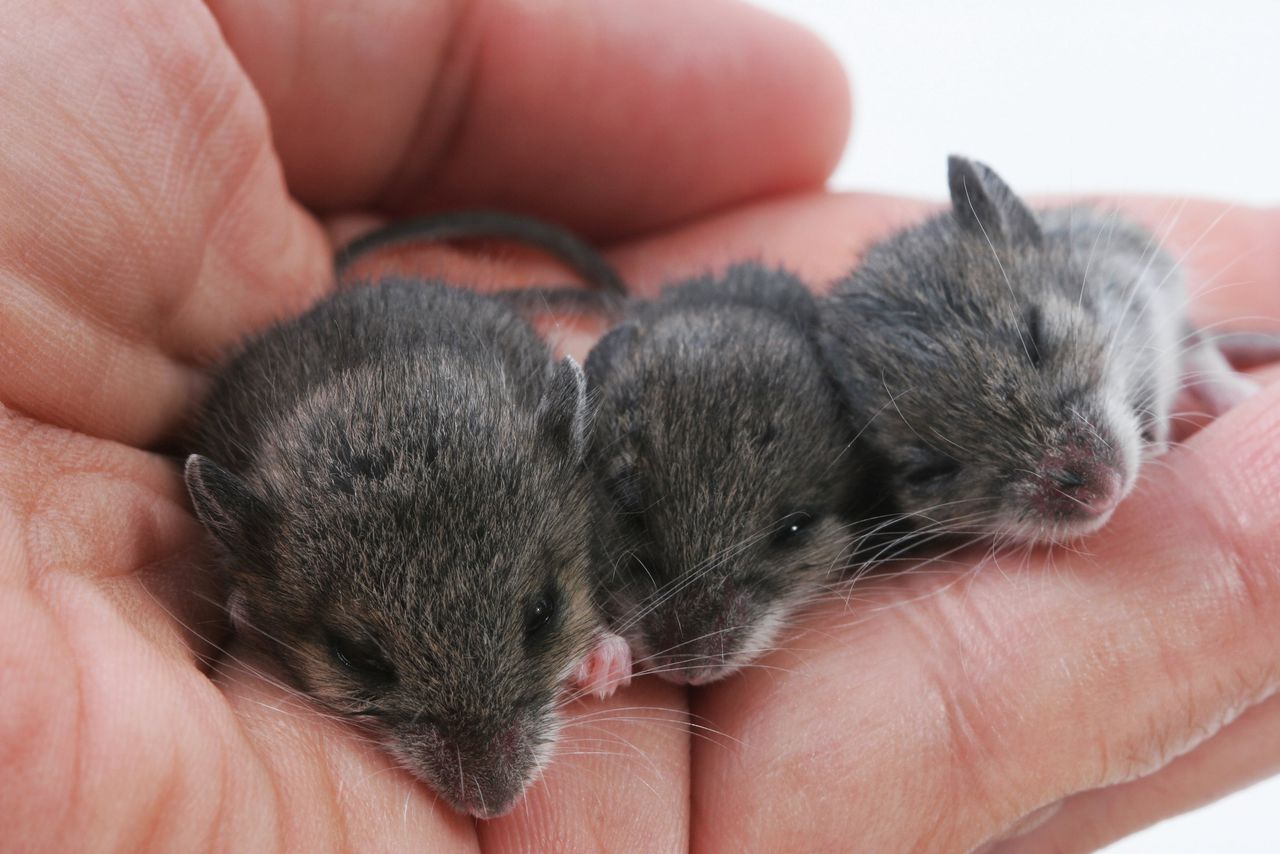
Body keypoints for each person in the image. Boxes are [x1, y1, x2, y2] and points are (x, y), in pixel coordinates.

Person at [1, 1, 1276, 850]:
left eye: (543, 615)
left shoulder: (569, 438)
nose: (490, 777)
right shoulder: (304, 496)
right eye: (376, 672)